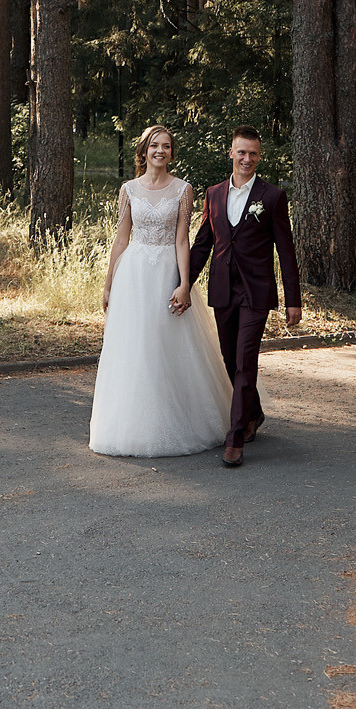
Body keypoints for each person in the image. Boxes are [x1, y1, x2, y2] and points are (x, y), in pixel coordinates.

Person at [87, 125, 232, 457]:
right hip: (133, 275)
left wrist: (184, 283)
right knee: (134, 347)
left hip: (167, 270)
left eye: (166, 146)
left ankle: (178, 422)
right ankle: (129, 426)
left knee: (166, 344)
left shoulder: (183, 190)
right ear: (144, 150)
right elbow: (121, 238)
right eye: (155, 145)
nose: (160, 151)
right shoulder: (128, 189)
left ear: (171, 152)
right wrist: (108, 283)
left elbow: (183, 239)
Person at [183, 126, 302, 468]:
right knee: (229, 360)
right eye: (241, 152)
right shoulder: (214, 194)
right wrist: (183, 284)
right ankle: (253, 413)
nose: (246, 159)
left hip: (255, 291)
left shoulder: (273, 196)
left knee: (245, 360)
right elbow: (203, 243)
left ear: (258, 157)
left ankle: (235, 437)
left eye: (253, 153)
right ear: (231, 153)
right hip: (223, 288)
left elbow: (286, 251)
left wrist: (293, 299)